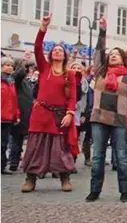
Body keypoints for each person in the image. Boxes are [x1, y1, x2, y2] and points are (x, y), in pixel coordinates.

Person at [20, 13, 79, 193]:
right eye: (54, 50)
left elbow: (72, 97)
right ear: (51, 54)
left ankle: (64, 178)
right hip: (41, 114)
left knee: (60, 148)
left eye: (60, 50)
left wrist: (70, 114)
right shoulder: (44, 68)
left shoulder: (69, 74)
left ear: (65, 55)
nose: (57, 51)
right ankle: (31, 178)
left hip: (59, 115)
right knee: (35, 147)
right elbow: (38, 46)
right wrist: (43, 27)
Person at [85, 17, 127, 203]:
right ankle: (94, 190)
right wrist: (102, 32)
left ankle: (124, 191)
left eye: (117, 54)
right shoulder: (101, 72)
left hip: (120, 121)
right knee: (98, 157)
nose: (113, 55)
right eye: (112, 53)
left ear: (123, 59)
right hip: (99, 118)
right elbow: (99, 51)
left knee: (122, 157)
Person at [10, 54, 37, 172]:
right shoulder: (16, 80)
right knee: (17, 140)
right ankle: (13, 162)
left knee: (25, 140)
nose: (29, 70)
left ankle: (25, 161)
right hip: (19, 115)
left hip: (28, 114)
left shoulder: (27, 81)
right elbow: (19, 75)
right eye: (26, 68)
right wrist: (25, 61)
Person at [1, 56, 20, 175]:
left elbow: (14, 101)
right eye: (7, 65)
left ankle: (2, 166)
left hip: (7, 117)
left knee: (4, 143)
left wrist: (16, 115)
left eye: (11, 66)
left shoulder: (11, 82)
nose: (9, 67)